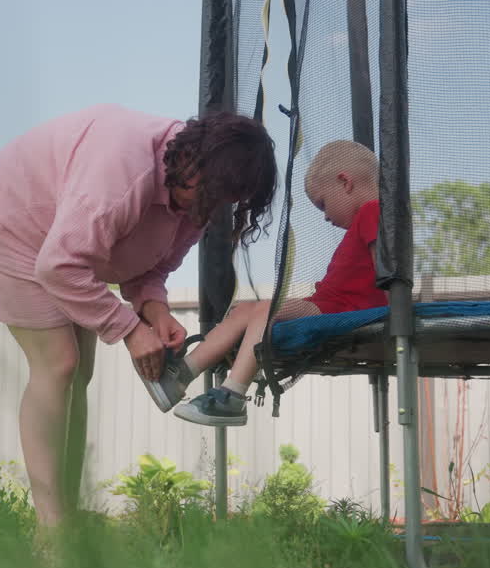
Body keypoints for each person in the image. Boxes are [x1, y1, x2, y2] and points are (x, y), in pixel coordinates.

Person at [0, 103, 277, 524]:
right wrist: (129, 330)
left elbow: (153, 269)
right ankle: (51, 531)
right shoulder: (123, 173)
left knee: (81, 372)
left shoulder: (199, 199)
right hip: (10, 223)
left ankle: (67, 510)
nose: (211, 208)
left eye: (226, 200)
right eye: (211, 193)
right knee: (58, 363)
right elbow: (58, 265)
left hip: (63, 246)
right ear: (192, 156)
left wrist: (155, 312)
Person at [165, 139, 385, 427]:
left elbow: (386, 266)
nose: (326, 216)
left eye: (323, 204)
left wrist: (396, 307)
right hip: (332, 304)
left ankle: (231, 396)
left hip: (348, 310)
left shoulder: (374, 211)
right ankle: (180, 376)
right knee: (247, 308)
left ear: (345, 183)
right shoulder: (368, 216)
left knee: (264, 311)